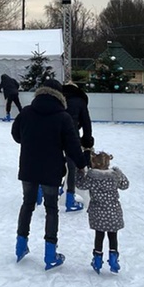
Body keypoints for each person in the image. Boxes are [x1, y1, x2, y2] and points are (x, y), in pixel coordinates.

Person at [11, 79, 88, 269]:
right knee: (51, 209)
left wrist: (30, 140)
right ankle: (50, 253)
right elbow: (72, 146)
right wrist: (82, 163)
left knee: (27, 204)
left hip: (28, 167)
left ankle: (21, 245)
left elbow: (16, 135)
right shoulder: (62, 117)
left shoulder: (27, 112)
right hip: (51, 170)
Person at [76, 151, 128, 274]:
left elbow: (80, 185)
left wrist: (79, 173)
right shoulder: (114, 176)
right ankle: (114, 258)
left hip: (98, 213)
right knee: (112, 236)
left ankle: (97, 260)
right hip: (113, 212)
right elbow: (125, 185)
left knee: (99, 236)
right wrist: (119, 172)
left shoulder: (91, 177)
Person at [61, 81, 93, 211]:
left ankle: (41, 189)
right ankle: (70, 198)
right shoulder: (80, 101)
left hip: (55, 134)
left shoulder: (59, 99)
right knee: (72, 166)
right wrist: (87, 142)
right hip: (72, 136)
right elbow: (86, 123)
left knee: (54, 162)